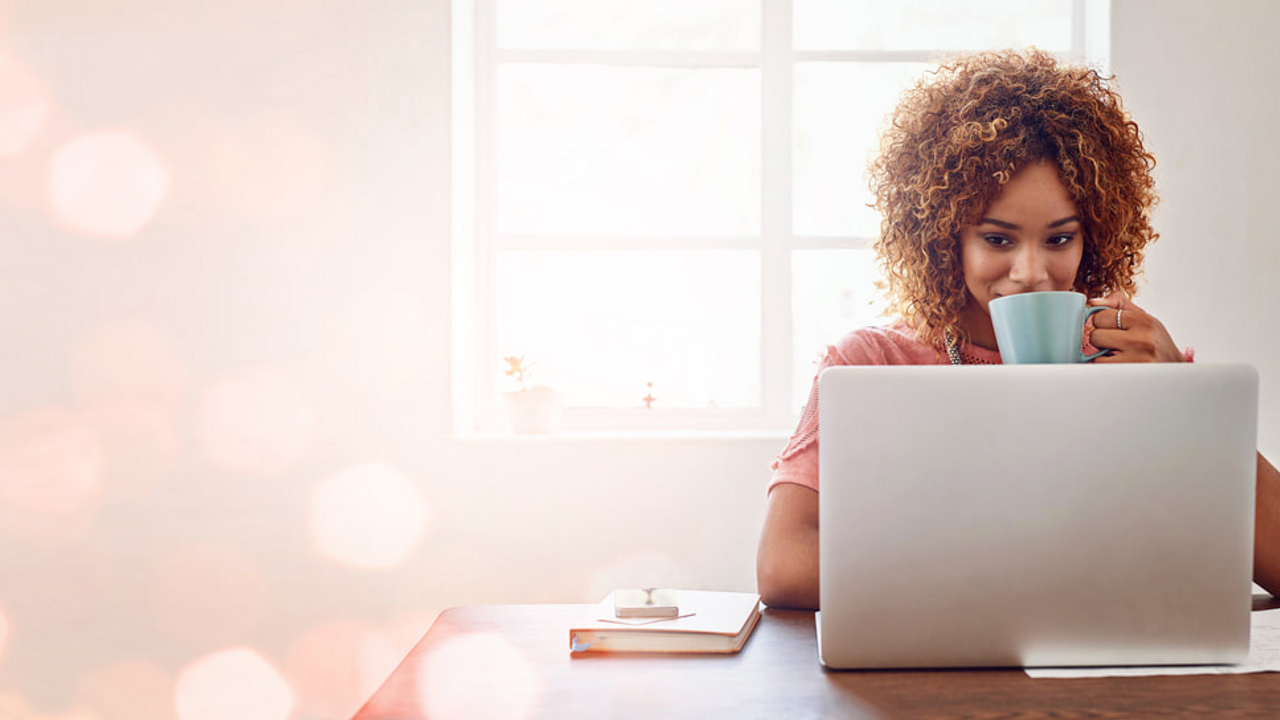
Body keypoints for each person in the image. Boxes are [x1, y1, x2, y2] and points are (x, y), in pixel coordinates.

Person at [755, 48, 1280, 610]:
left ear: (1092, 237)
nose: (1031, 273)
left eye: (1059, 239)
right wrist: (1019, 583)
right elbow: (784, 566)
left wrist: (1183, 395)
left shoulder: (1137, 364)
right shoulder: (871, 363)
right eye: (998, 239)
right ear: (944, 238)